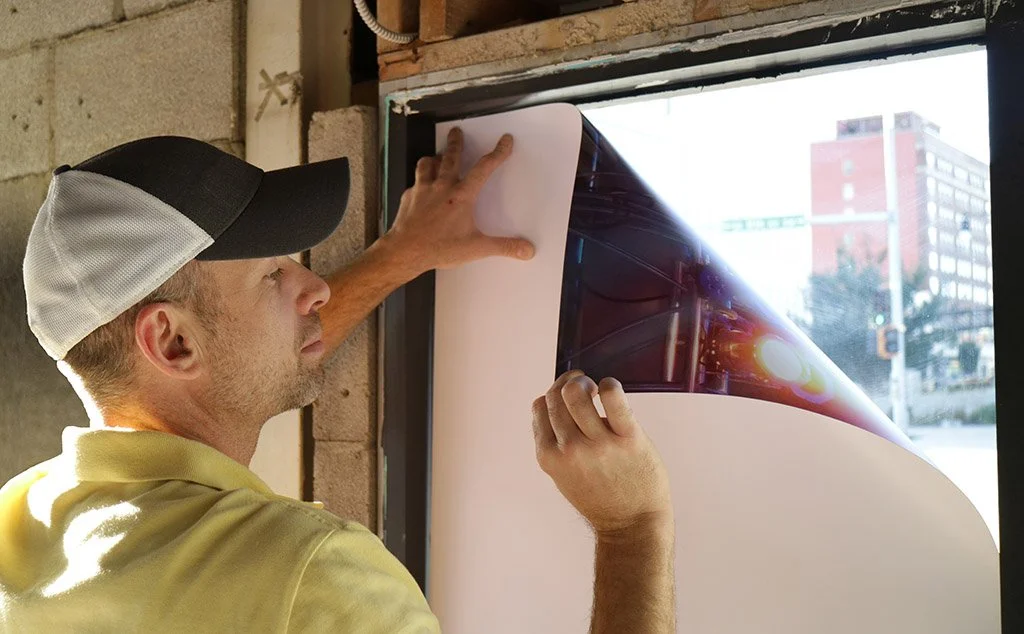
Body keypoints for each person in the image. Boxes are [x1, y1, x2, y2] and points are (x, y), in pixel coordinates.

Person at [0, 128, 674, 632]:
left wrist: (396, 256)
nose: (315, 286)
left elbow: (230, 354)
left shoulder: (19, 526)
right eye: (272, 275)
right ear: (171, 341)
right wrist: (631, 528)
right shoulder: (311, 577)